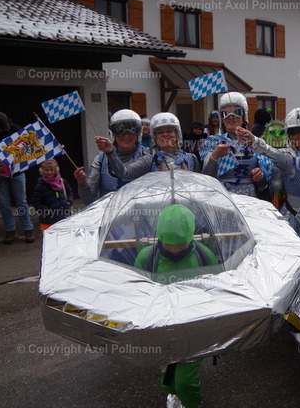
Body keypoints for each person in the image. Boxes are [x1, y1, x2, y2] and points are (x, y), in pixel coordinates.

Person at [134, 204, 216, 408]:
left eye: (180, 244)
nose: (174, 249)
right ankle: (173, 393)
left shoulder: (204, 256)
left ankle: (191, 403)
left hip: (194, 329)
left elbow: (215, 292)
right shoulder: (147, 258)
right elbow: (136, 294)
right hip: (161, 328)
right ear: (160, 236)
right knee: (168, 371)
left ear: (190, 236)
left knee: (185, 381)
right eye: (169, 244)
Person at [237, 107, 300, 239]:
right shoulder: (288, 158)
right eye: (295, 131)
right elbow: (269, 151)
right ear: (289, 135)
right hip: (294, 224)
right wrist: (253, 140)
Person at [96, 112, 201, 179]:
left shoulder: (191, 158)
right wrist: (111, 152)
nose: (165, 135)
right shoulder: (149, 160)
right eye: (160, 132)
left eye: (170, 131)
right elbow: (124, 173)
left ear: (177, 135)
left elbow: (202, 183)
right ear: (154, 137)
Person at [74, 109, 147, 205]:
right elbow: (89, 201)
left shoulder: (146, 158)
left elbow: (124, 173)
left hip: (138, 212)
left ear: (139, 133)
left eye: (132, 129)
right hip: (108, 212)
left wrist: (110, 152)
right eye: (119, 130)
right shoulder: (101, 159)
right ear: (112, 133)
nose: (126, 135)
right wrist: (83, 184)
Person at [201, 92, 267, 197]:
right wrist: (214, 157)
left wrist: (260, 177)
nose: (231, 117)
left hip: (250, 201)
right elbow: (205, 180)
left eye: (237, 112)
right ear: (222, 119)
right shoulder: (212, 142)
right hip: (224, 199)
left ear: (244, 116)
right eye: (225, 113)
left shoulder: (255, 142)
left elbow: (264, 186)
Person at [0, 111, 35, 244]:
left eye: (2, 128)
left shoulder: (17, 130)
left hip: (17, 172)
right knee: (3, 203)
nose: (0, 131)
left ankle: (28, 229)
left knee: (21, 201)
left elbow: (27, 148)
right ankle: (10, 230)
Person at [31, 159, 73, 231]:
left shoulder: (62, 182)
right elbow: (36, 202)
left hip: (64, 218)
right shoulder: (40, 186)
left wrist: (69, 202)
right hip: (48, 221)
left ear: (56, 170)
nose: (49, 172)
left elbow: (70, 193)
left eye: (51, 170)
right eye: (46, 170)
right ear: (42, 171)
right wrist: (47, 211)